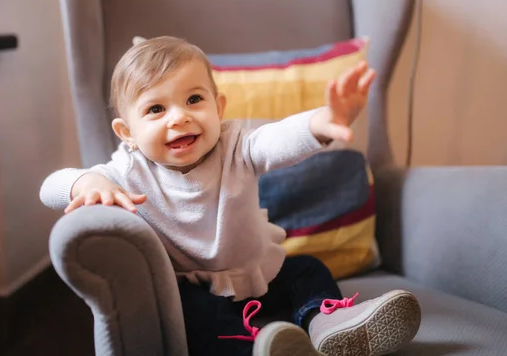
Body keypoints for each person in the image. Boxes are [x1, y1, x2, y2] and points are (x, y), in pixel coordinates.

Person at [39, 36, 421, 356]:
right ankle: (258, 349)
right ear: (127, 132)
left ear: (218, 107)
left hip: (261, 274)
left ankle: (330, 325)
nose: (179, 117)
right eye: (156, 108)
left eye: (194, 100)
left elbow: (278, 140)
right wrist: (84, 185)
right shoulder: (125, 171)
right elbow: (49, 186)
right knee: (193, 315)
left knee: (307, 271)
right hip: (192, 286)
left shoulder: (236, 145)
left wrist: (325, 121)